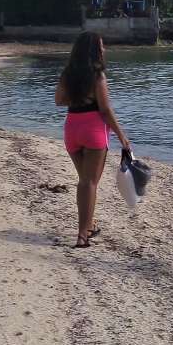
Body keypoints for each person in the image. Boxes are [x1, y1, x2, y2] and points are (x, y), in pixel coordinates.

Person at [55, 32, 131, 248]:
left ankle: (88, 225)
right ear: (94, 50)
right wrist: (122, 135)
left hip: (72, 128)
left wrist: (78, 96)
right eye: (101, 46)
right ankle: (82, 235)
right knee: (89, 183)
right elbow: (105, 110)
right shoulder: (98, 76)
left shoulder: (68, 74)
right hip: (93, 130)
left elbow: (59, 101)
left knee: (85, 182)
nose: (104, 49)